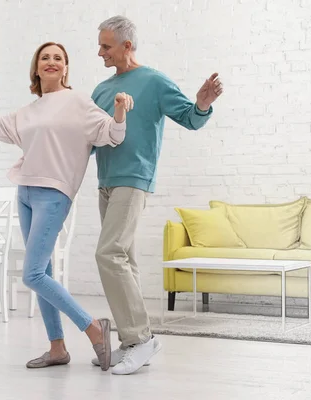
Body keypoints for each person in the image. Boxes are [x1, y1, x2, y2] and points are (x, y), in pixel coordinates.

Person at [0, 42, 134, 371]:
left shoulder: (77, 102)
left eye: (58, 58)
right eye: (45, 57)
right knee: (42, 272)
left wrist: (119, 111)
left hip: (55, 194)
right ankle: (57, 347)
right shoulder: (27, 112)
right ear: (36, 68)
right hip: (26, 192)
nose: (51, 61)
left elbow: (111, 135)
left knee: (31, 274)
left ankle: (93, 328)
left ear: (65, 68)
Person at [89, 15, 224, 375]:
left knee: (108, 253)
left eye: (106, 45)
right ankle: (134, 341)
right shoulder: (101, 90)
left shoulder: (154, 81)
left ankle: (141, 338)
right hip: (105, 180)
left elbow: (191, 119)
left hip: (134, 178)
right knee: (124, 261)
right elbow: (89, 140)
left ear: (126, 46)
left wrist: (202, 104)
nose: (99, 52)